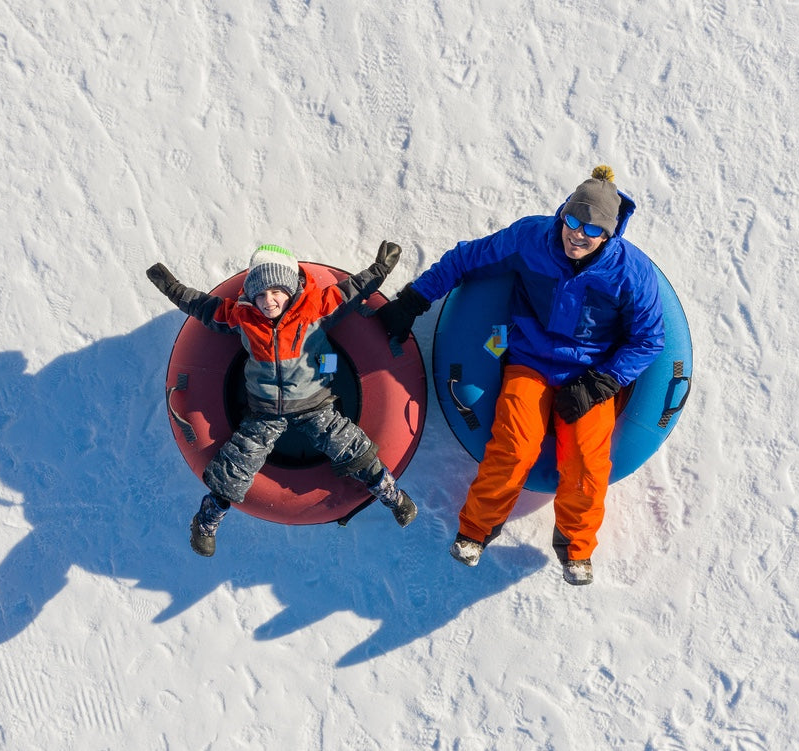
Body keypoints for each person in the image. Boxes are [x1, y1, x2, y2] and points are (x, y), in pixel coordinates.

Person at [377, 165, 664, 585]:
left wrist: (601, 382)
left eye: (591, 229)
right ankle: (475, 531)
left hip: (590, 373)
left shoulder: (630, 272)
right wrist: (414, 299)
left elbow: (650, 338)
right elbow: (467, 258)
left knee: (586, 459)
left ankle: (576, 548)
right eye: (571, 220)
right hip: (529, 361)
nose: (577, 234)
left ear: (609, 234)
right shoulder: (532, 238)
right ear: (562, 213)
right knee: (514, 446)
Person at [147, 242, 418, 556]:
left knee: (351, 447)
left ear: (291, 289)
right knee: (236, 466)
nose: (268, 300)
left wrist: (380, 269)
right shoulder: (242, 317)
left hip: (315, 405)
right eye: (260, 294)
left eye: (276, 291)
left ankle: (393, 498)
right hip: (264, 413)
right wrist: (171, 287)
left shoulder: (315, 308)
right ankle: (206, 523)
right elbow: (202, 308)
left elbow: (351, 292)